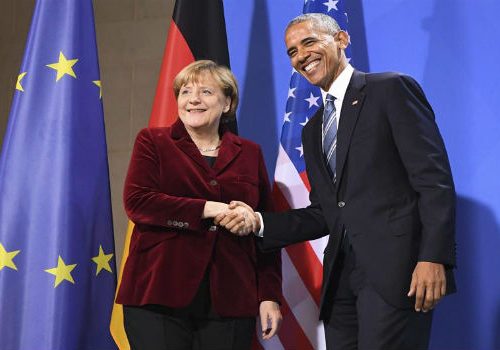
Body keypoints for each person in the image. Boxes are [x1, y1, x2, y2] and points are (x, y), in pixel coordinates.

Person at [216, 13, 456, 350]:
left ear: (341, 39)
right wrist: (257, 222)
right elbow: (325, 212)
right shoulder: (312, 129)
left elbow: (434, 181)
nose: (301, 56)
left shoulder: (389, 89)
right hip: (341, 282)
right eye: (292, 51)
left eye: (309, 42)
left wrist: (433, 257)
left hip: (397, 273)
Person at [115, 60, 282, 350]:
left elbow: (265, 229)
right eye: (185, 91)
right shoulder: (153, 141)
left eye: (206, 91)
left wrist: (269, 295)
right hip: (159, 295)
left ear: (227, 102)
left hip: (231, 298)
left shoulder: (250, 153)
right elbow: (138, 201)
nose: (193, 99)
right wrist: (209, 209)